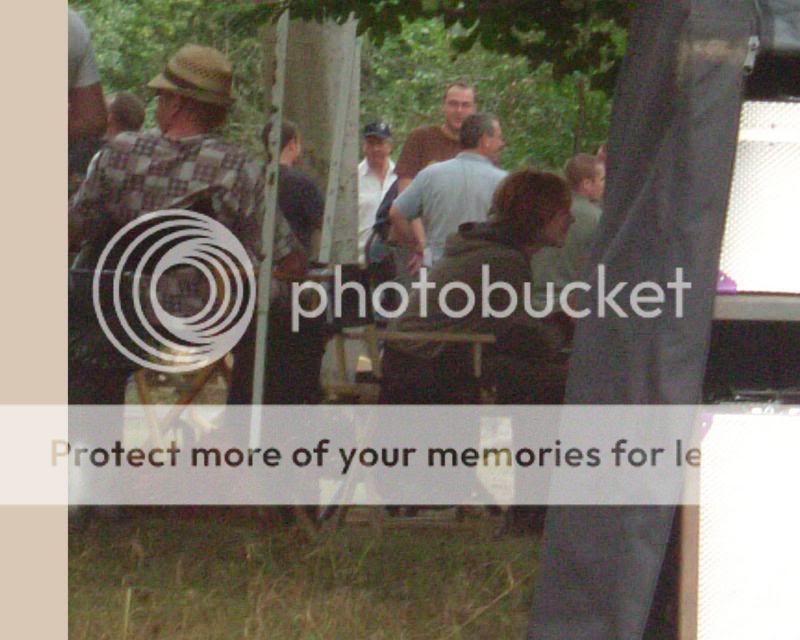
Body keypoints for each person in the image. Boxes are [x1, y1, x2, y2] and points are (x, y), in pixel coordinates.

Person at [68, 44, 304, 405]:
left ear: (176, 102)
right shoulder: (236, 167)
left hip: (109, 314)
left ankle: (88, 429)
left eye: (160, 97)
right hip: (195, 322)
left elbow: (73, 229)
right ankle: (251, 429)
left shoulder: (116, 153)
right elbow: (289, 261)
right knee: (294, 316)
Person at [380, 169, 574, 406]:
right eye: (564, 212)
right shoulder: (502, 260)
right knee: (567, 381)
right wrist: (567, 320)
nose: (571, 220)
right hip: (426, 371)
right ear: (540, 214)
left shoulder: (485, 249)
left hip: (412, 362)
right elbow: (529, 341)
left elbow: (515, 331)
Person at [388, 113, 507, 272]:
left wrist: (419, 245)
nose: (501, 143)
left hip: (439, 271)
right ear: (485, 140)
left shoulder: (430, 175)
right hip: (484, 272)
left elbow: (396, 214)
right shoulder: (503, 182)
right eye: (499, 138)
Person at [529, 153, 605, 324]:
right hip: (568, 310)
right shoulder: (598, 219)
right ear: (587, 183)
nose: (605, 185)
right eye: (602, 179)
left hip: (529, 303)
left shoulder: (542, 209)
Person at [394, 80, 477, 193]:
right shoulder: (421, 138)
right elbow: (404, 192)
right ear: (443, 106)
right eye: (453, 104)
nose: (459, 110)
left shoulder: (481, 145)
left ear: (474, 109)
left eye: (466, 105)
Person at [261, 119, 324, 255]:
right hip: (292, 260)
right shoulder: (302, 183)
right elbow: (324, 222)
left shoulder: (253, 176)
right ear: (291, 145)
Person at [358, 121, 396, 264]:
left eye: (380, 143)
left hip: (393, 261)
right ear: (364, 146)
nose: (375, 149)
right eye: (370, 144)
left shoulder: (401, 177)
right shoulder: (352, 178)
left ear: (390, 146)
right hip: (360, 260)